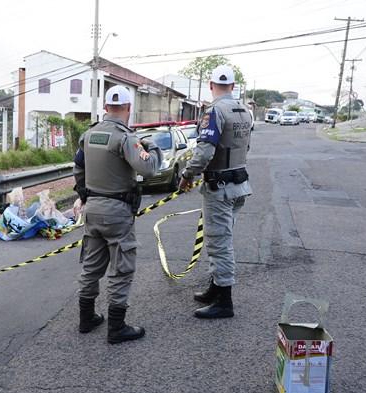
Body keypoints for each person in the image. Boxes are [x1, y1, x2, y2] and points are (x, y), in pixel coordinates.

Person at [73, 85, 162, 344]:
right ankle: (117, 327)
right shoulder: (126, 138)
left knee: (91, 266)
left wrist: (85, 194)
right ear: (129, 108)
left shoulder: (89, 136)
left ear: (105, 107)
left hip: (92, 210)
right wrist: (152, 147)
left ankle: (86, 318)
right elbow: (148, 169)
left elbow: (78, 168)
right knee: (121, 269)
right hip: (118, 213)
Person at [179, 65, 252, 319]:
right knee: (220, 237)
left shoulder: (214, 112)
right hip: (239, 184)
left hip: (219, 187)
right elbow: (246, 147)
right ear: (233, 86)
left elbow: (205, 151)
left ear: (211, 85)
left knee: (220, 243)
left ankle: (224, 301)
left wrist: (188, 174)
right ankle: (215, 287)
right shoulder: (246, 112)